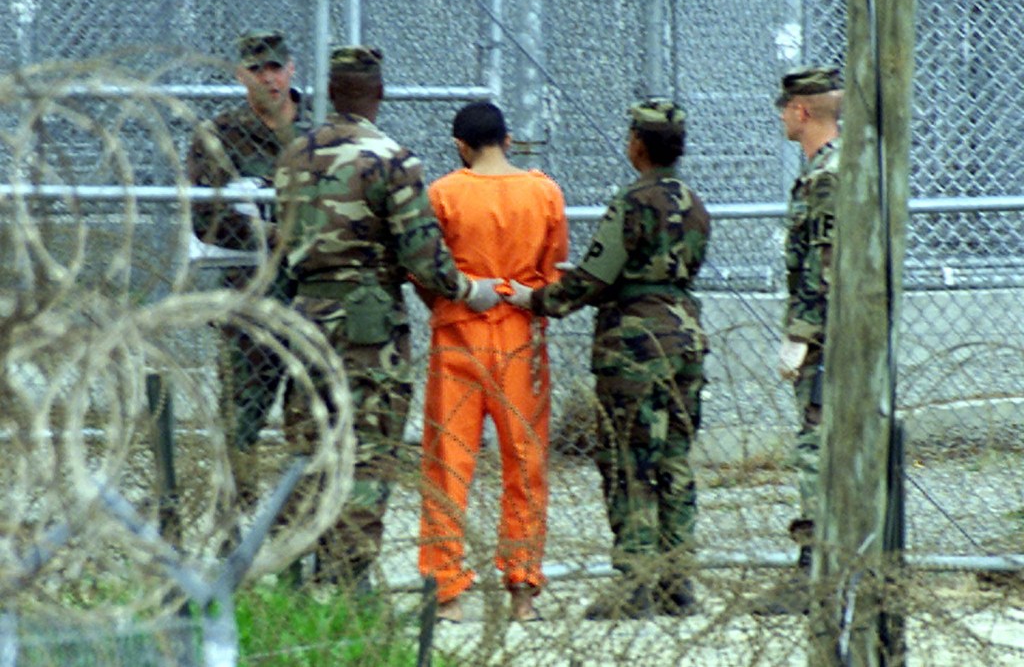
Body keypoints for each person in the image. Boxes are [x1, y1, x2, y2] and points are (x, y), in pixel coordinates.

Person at [273, 45, 500, 594]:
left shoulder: (293, 156)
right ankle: (351, 580)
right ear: (379, 93)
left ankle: (294, 571)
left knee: (310, 446)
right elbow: (424, 256)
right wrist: (471, 291)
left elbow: (284, 244)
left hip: (307, 314)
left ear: (330, 92)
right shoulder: (392, 159)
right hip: (368, 327)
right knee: (369, 453)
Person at [506, 98, 711, 620]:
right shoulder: (694, 203)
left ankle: (634, 582)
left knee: (628, 461)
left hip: (635, 345)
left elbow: (598, 275)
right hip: (685, 336)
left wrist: (538, 299)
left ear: (637, 145)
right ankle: (676, 581)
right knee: (673, 460)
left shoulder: (633, 201)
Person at [416, 101, 568, 623]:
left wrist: (447, 305)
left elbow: (427, 270)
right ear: (507, 139)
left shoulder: (443, 193)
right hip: (521, 334)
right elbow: (553, 267)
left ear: (460, 145)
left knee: (448, 463)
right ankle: (523, 589)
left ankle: (448, 592)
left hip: (459, 331)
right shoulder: (543, 191)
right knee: (524, 464)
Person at [186, 30, 312, 526]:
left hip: (311, 300)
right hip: (248, 301)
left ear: (292, 69)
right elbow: (205, 215)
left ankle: (298, 533)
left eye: (276, 67)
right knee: (240, 422)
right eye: (258, 70)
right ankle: (236, 530)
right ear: (241, 75)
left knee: (311, 421)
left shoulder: (317, 137)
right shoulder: (218, 137)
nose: (269, 78)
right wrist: (275, 229)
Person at [751, 64, 843, 616]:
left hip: (828, 340)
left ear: (801, 111)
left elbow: (824, 263)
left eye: (785, 108)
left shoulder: (827, 175)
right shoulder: (828, 167)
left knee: (815, 450)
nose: (782, 117)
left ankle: (816, 574)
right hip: (832, 334)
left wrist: (802, 335)